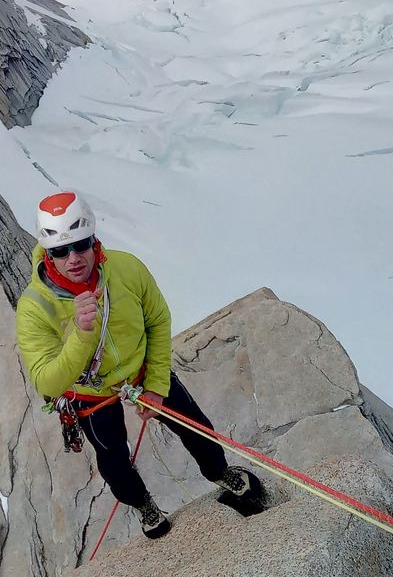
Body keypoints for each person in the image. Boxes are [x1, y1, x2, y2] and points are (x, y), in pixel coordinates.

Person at [15, 190, 267, 538]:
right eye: (59, 251)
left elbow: (157, 321)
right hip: (91, 391)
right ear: (47, 252)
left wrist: (156, 385)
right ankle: (142, 503)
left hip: (141, 369)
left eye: (80, 245)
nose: (72, 258)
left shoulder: (125, 268)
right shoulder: (34, 307)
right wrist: (81, 334)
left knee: (193, 424)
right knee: (113, 458)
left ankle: (219, 472)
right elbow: (47, 381)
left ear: (93, 240)